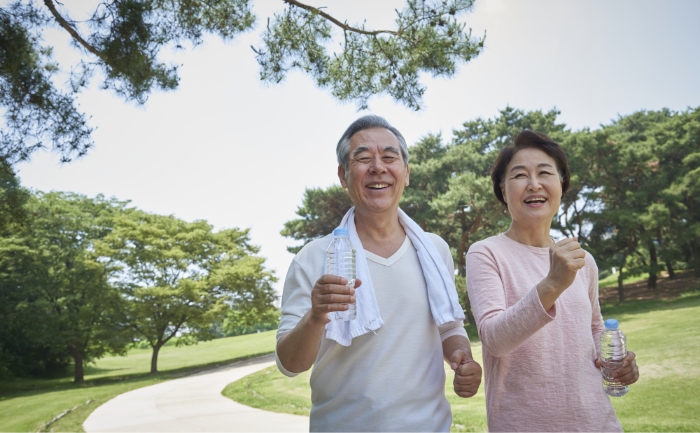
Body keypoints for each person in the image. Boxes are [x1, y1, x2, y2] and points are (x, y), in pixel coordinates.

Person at [276, 115, 482, 432]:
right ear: (343, 176)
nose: (378, 167)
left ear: (406, 173)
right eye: (362, 158)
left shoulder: (434, 250)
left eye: (389, 157)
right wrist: (316, 316)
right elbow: (290, 365)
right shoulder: (313, 258)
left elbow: (448, 328)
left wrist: (463, 359)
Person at [465, 130, 640, 432]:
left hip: (597, 422)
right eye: (519, 175)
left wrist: (617, 359)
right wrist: (553, 284)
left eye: (545, 173)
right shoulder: (486, 253)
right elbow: (494, 339)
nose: (534, 184)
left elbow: (595, 328)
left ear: (561, 184)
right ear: (503, 192)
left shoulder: (581, 259)